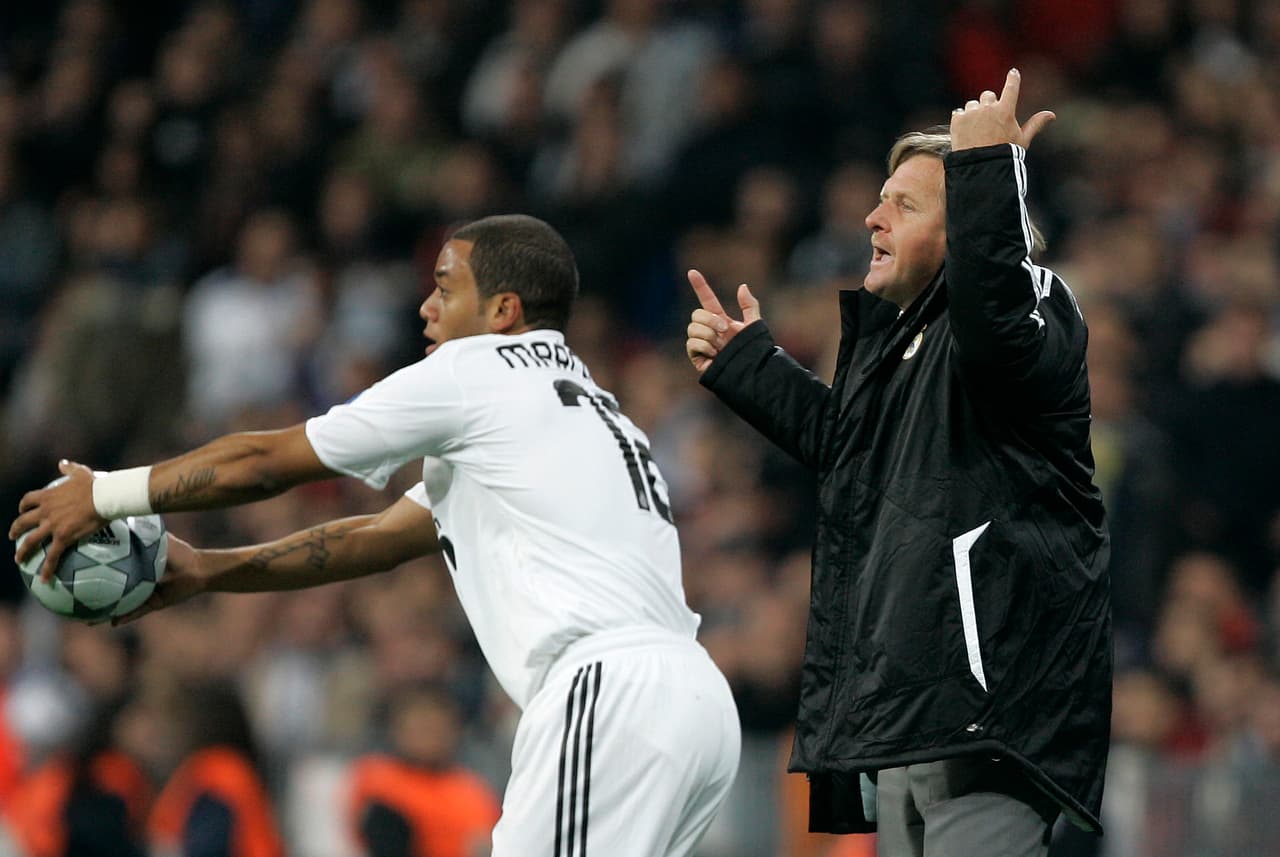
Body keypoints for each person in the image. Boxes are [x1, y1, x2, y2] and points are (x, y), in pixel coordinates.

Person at [11, 214, 741, 857]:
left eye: (445, 286)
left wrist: (107, 491)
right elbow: (382, 534)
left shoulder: (477, 372)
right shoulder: (582, 406)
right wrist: (210, 570)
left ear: (501, 310)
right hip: (694, 702)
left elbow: (266, 462)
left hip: (607, 692)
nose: (425, 306)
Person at [684, 69, 1111, 856]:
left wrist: (988, 174)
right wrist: (752, 366)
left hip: (986, 706)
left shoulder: (1033, 306)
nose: (872, 219)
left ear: (966, 227)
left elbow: (998, 327)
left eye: (903, 204)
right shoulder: (911, 344)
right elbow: (851, 452)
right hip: (915, 704)